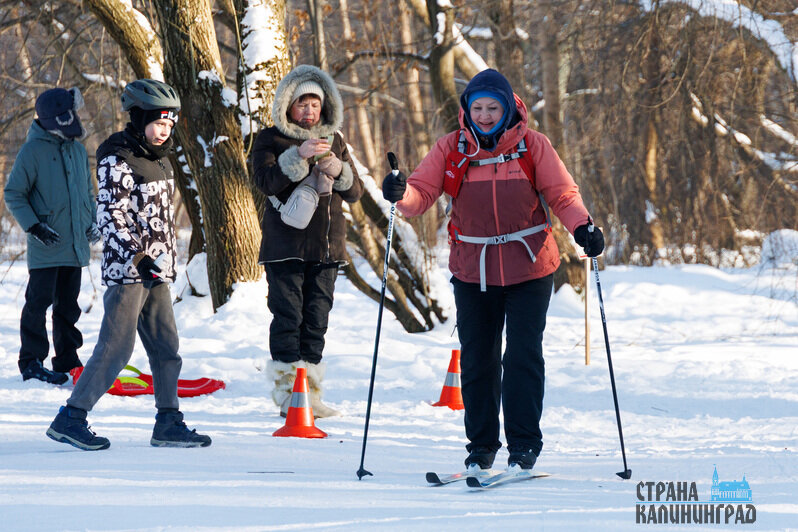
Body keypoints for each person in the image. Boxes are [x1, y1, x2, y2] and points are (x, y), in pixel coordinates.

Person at [381, 69, 605, 471]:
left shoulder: (532, 146)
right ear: (467, 109)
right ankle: (481, 447)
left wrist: (583, 227)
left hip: (531, 269)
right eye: (478, 107)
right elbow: (421, 194)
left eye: (493, 107)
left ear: (507, 108)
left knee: (522, 356)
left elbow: (562, 194)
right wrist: (401, 193)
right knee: (478, 359)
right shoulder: (453, 148)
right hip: (473, 271)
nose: (484, 115)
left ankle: (523, 446)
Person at [46, 79, 211, 451]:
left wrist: (159, 262)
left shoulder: (158, 158)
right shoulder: (116, 156)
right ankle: (71, 417)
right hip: (130, 270)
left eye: (169, 125)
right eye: (157, 123)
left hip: (157, 272)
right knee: (116, 348)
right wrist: (139, 257)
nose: (163, 131)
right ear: (138, 118)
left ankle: (168, 421)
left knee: (167, 347)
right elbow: (111, 215)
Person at [252, 65, 364, 418]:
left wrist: (337, 169)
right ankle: (288, 394)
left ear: (325, 107)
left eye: (315, 104)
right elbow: (266, 183)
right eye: (302, 103)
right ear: (287, 105)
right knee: (288, 317)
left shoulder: (337, 141)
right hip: (284, 247)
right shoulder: (268, 139)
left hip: (327, 248)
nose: (309, 111)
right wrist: (297, 158)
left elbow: (356, 192)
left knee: (316, 319)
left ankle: (310, 395)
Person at [4, 87, 99, 385]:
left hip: (74, 245)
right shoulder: (32, 152)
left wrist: (92, 221)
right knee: (38, 302)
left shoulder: (78, 150)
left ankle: (67, 360)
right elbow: (14, 194)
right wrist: (34, 226)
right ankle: (31, 361)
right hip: (47, 245)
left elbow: (87, 194)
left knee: (68, 306)